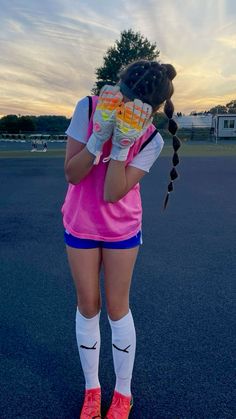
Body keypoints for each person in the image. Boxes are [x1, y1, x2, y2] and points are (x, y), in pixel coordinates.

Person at [62, 59, 181, 419]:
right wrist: (98, 135)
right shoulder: (88, 107)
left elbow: (113, 191)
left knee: (117, 308)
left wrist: (120, 144)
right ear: (115, 87)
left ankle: (123, 394)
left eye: (136, 107)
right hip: (80, 222)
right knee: (88, 305)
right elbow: (72, 173)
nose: (125, 109)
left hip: (121, 229)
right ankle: (92, 390)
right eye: (122, 100)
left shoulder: (152, 139)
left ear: (153, 112)